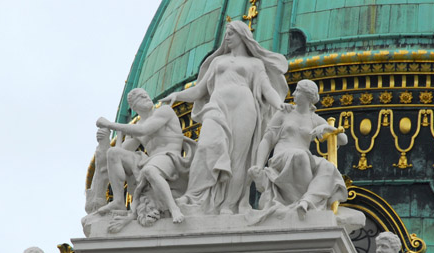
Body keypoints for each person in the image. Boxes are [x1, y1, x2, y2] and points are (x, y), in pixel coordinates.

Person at [161, 20, 289, 215]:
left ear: (242, 35)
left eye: (231, 33)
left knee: (239, 158)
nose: (227, 37)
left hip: (245, 107)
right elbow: (199, 90)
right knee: (206, 147)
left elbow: (266, 88)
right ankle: (195, 196)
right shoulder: (217, 62)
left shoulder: (255, 63)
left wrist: (279, 104)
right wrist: (177, 95)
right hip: (217, 106)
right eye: (226, 33)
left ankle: (229, 205)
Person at [248, 79, 348, 218]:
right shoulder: (284, 112)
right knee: (300, 156)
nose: (293, 93)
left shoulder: (315, 119)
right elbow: (267, 139)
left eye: (298, 90)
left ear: (308, 95)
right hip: (282, 157)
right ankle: (305, 202)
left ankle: (306, 201)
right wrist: (258, 166)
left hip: (303, 158)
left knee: (329, 168)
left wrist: (327, 127)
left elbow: (343, 140)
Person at [96, 88, 194, 224]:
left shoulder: (164, 111)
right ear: (134, 107)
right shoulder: (137, 125)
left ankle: (174, 208)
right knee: (113, 153)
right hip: (151, 159)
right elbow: (120, 153)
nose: (147, 98)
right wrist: (114, 136)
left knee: (149, 170)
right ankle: (118, 200)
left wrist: (111, 124)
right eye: (142, 97)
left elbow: (144, 130)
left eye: (146, 95)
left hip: (171, 157)